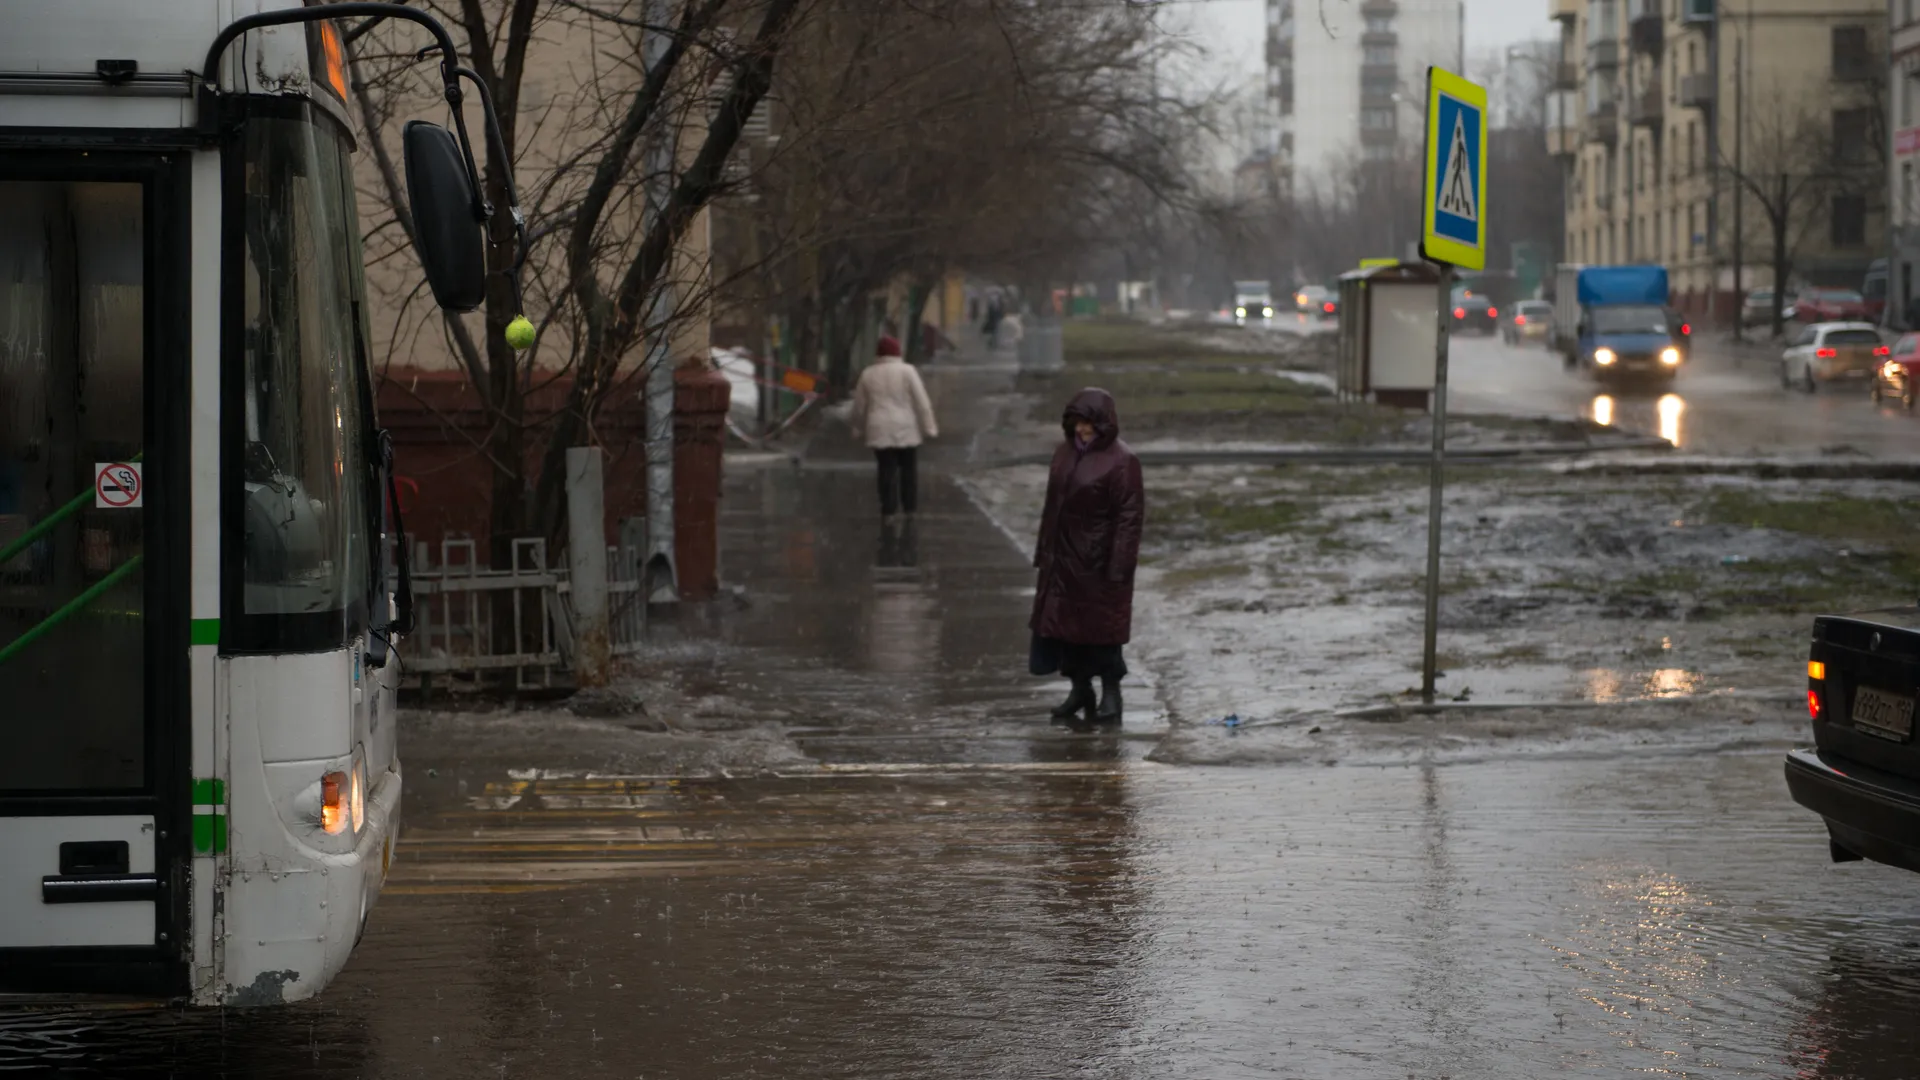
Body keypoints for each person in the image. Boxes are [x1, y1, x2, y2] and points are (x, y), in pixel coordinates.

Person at [1028, 388, 1144, 725]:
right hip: (1063, 561)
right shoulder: (1063, 454)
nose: (1082, 430)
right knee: (1067, 632)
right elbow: (1051, 508)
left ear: (1103, 423)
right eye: (1077, 423)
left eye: (1089, 423)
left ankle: (1111, 695)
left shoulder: (1123, 461)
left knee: (1103, 633)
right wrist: (1044, 553)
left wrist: (1119, 566)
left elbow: (1129, 518)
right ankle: (1080, 690)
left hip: (1098, 564)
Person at [849, 334, 937, 518]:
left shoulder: (868, 373)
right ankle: (909, 508)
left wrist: (857, 428)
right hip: (906, 427)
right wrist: (929, 427)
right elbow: (922, 402)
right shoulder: (908, 371)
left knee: (886, 469)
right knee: (909, 470)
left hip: (879, 427)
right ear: (897, 352)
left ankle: (888, 509)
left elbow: (859, 406)